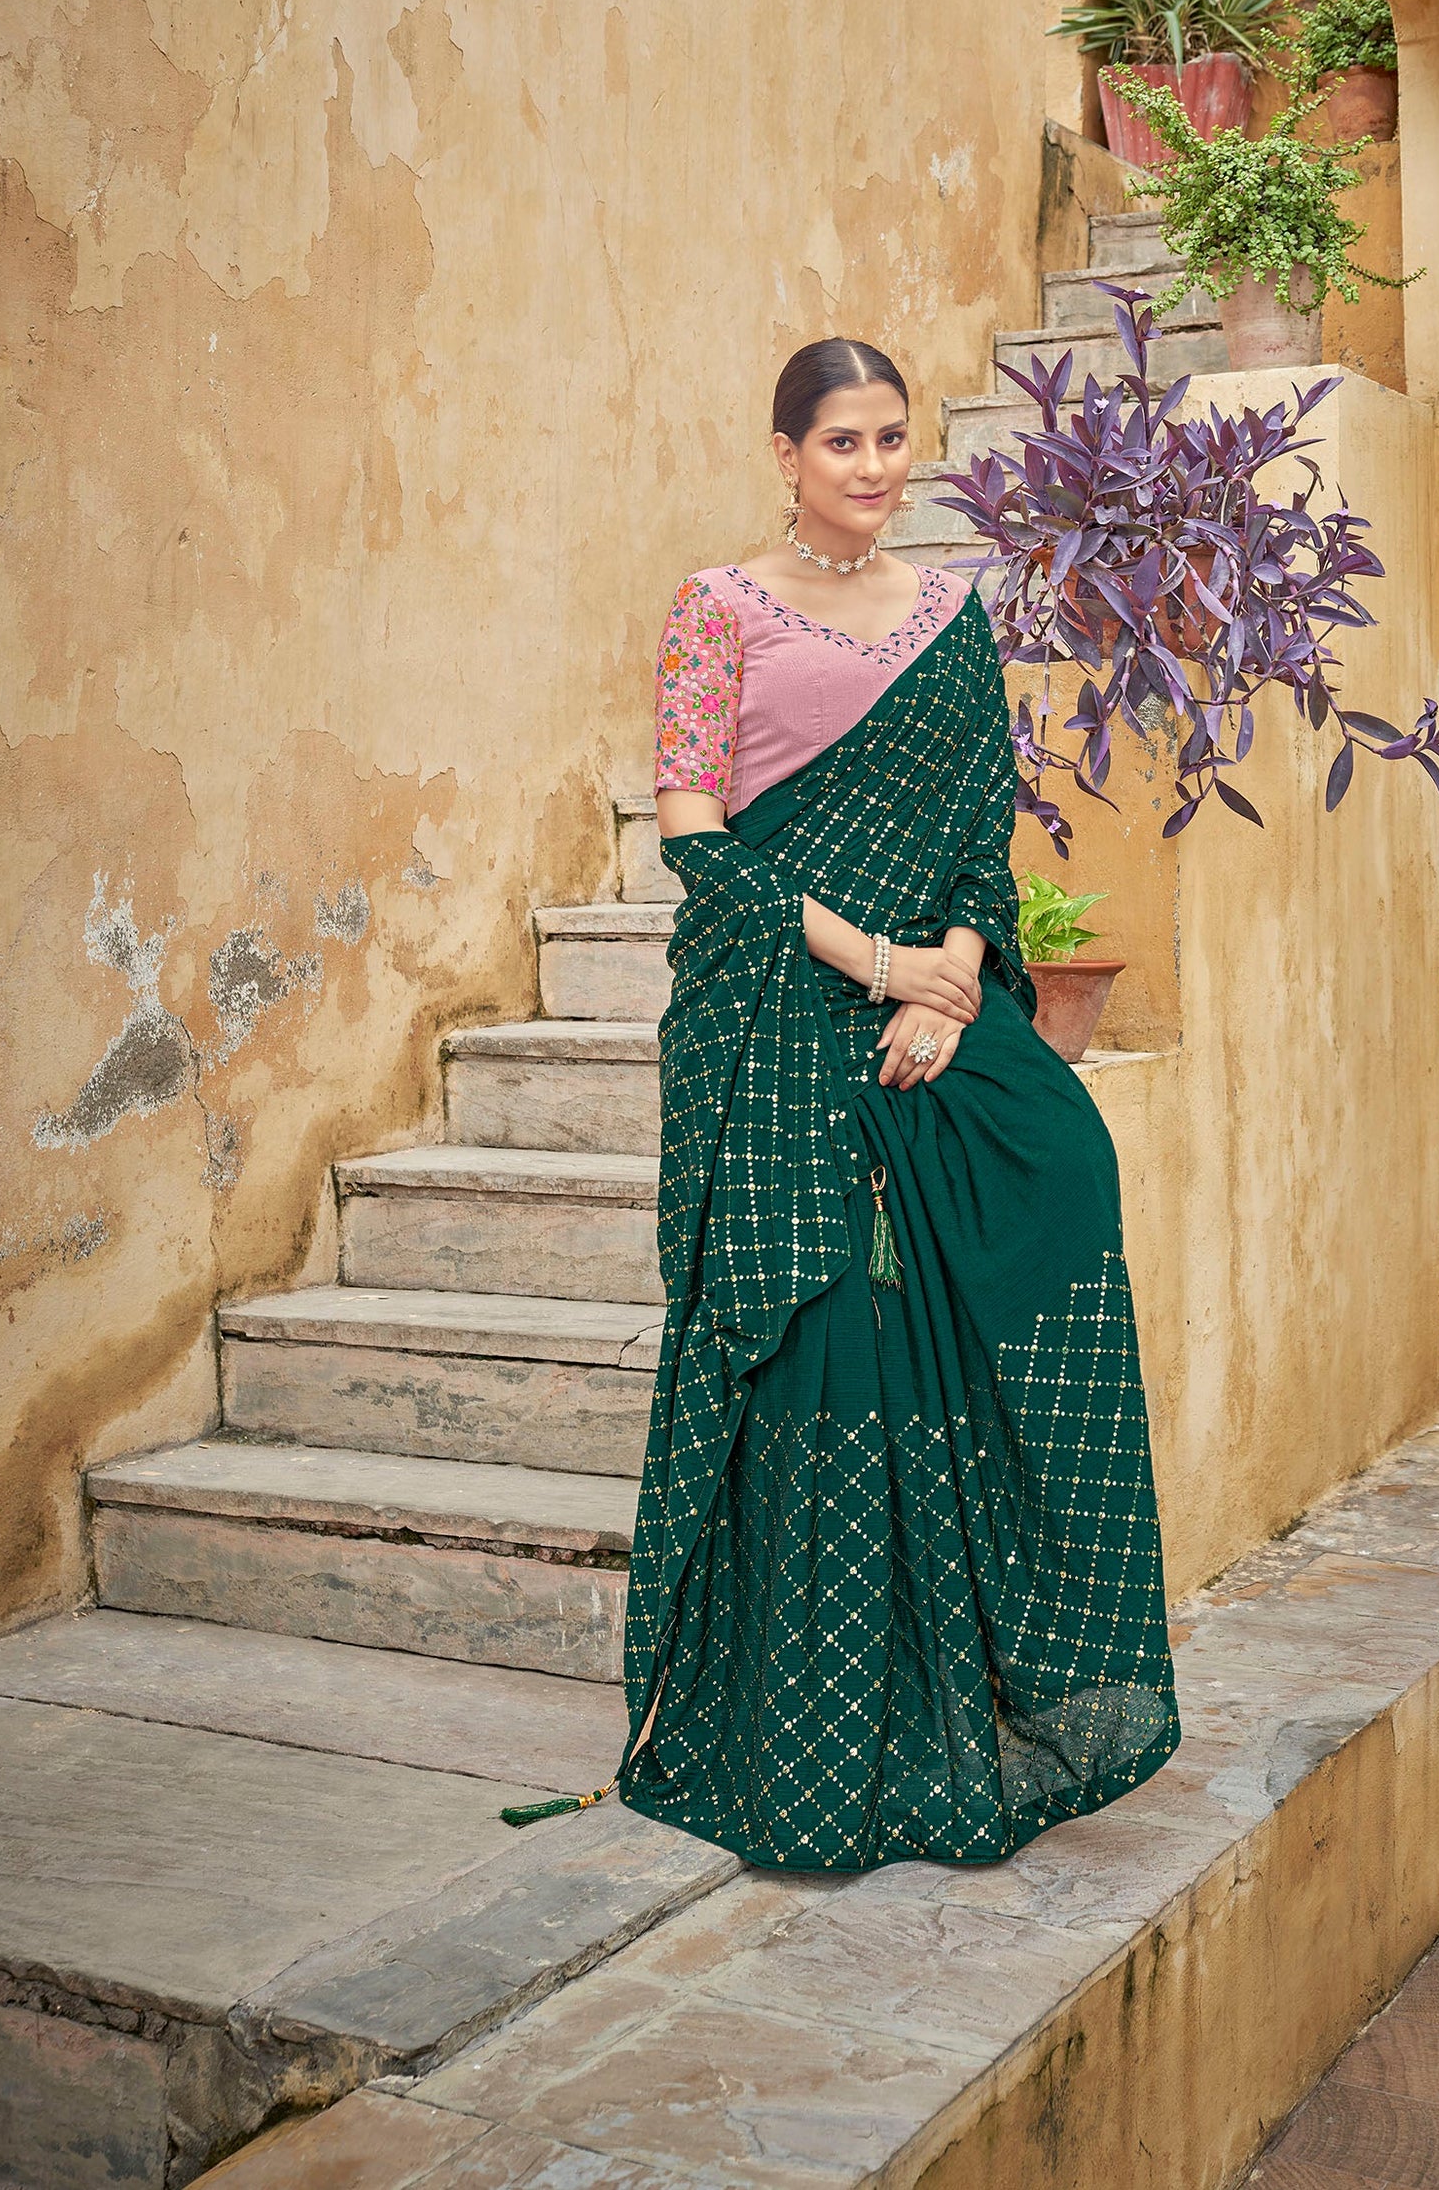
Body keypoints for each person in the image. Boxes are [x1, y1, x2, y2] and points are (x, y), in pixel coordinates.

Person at [534, 337, 1181, 1870]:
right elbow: (694, 828)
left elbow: (976, 834)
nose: (875, 465)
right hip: (770, 1017)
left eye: (892, 437)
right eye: (843, 441)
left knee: (1050, 1188)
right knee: (823, 1344)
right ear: (784, 453)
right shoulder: (717, 608)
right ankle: (798, 1735)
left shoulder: (951, 612)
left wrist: (950, 978)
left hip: (926, 1021)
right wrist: (870, 958)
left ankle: (969, 1688)